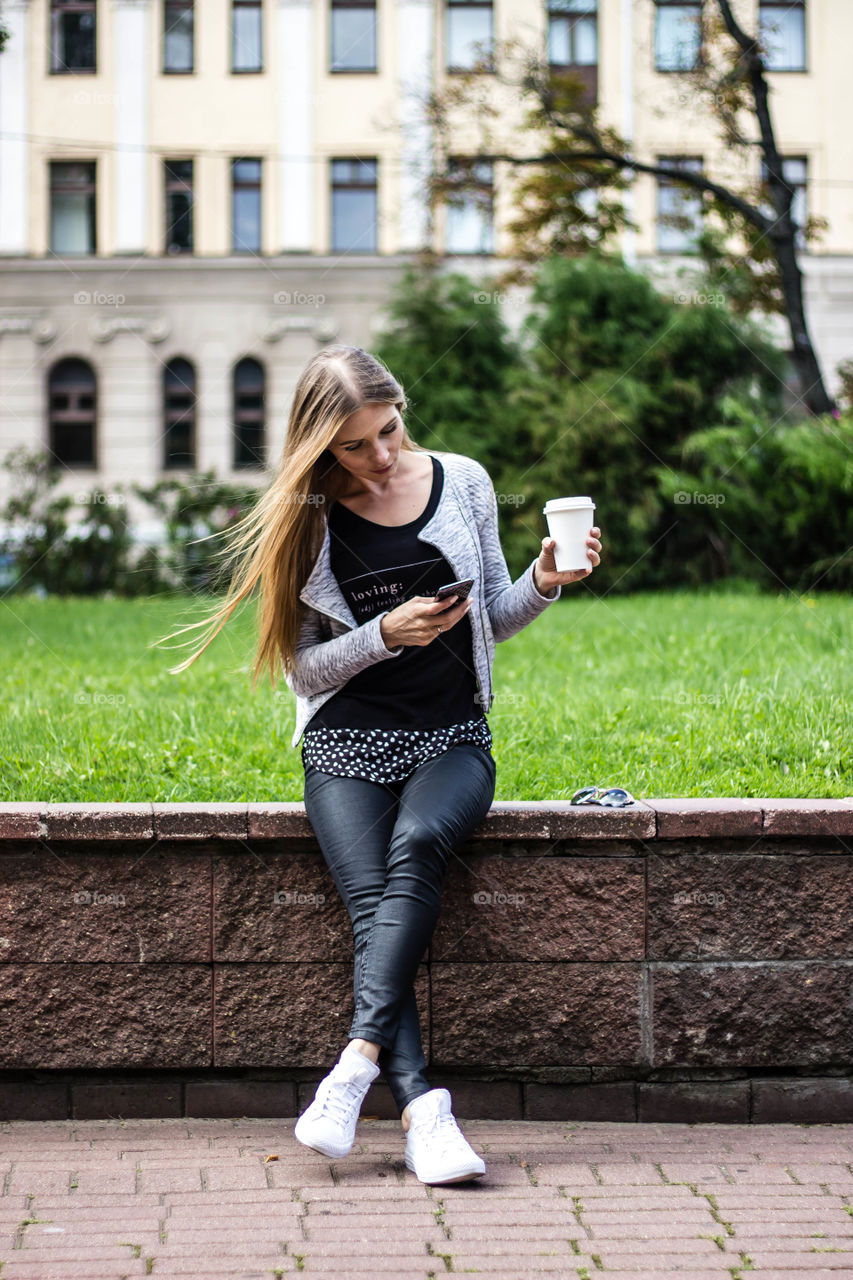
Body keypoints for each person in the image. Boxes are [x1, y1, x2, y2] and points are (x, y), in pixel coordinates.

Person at [160, 344, 602, 1186]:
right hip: (345, 743)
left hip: (451, 736)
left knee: (418, 846)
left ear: (401, 412)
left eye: (388, 431)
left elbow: (492, 619)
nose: (381, 456)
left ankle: (354, 1064)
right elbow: (302, 671)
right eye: (355, 446)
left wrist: (546, 579)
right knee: (374, 910)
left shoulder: (463, 482)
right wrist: (380, 637)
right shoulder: (306, 516)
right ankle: (424, 1115)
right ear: (320, 447)